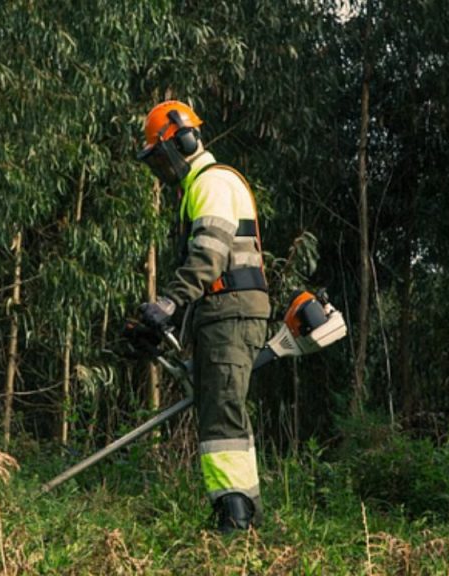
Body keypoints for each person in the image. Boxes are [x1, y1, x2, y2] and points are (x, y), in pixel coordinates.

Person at [132, 100, 270, 532]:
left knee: (223, 413)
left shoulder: (212, 183)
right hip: (221, 312)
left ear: (184, 142)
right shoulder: (201, 186)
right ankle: (241, 512)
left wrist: (168, 304)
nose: (161, 170)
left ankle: (236, 520)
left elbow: (209, 256)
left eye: (160, 158)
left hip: (231, 312)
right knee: (220, 409)